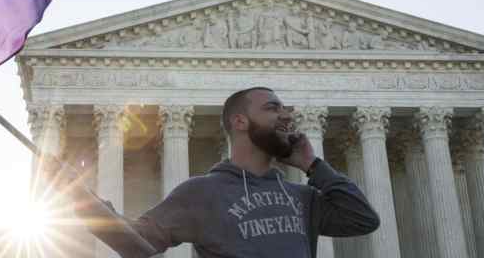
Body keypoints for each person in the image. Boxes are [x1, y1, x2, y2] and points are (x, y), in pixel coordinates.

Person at [45, 87, 380, 258]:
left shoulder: (302, 197)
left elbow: (363, 219)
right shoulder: (201, 194)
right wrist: (76, 195)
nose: (286, 115)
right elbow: (136, 243)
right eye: (272, 108)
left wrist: (313, 165)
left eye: (284, 108)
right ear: (240, 121)